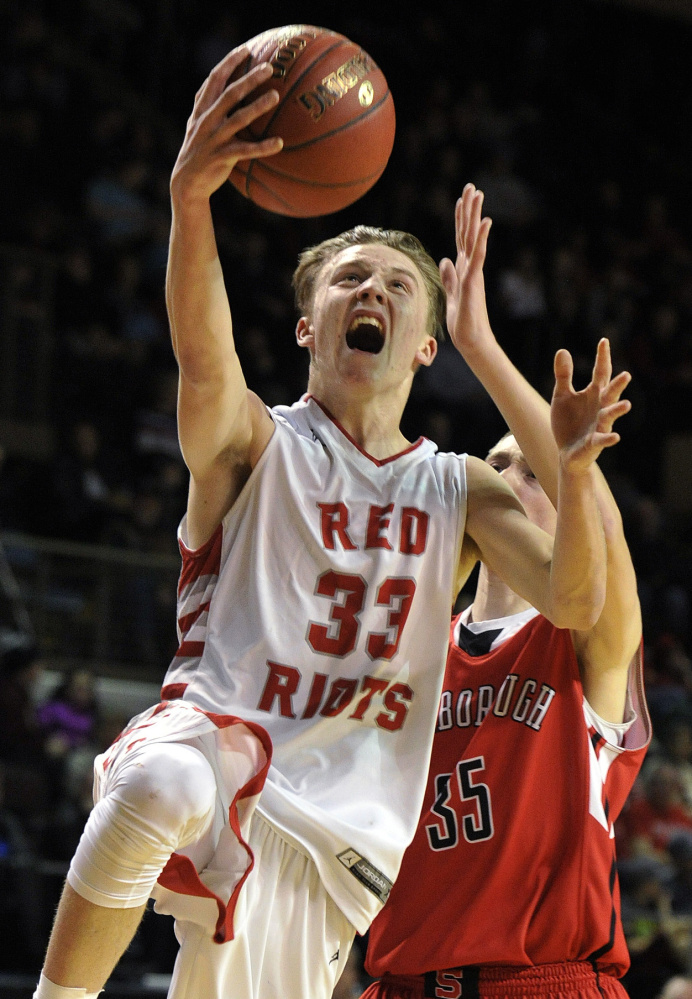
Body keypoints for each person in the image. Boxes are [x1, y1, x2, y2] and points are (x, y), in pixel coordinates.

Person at [34, 48, 623, 999]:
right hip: (217, 740)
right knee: (161, 787)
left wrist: (578, 466)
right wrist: (191, 203)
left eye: (397, 283)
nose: (373, 291)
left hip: (339, 836)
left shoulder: (460, 488)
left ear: (427, 345)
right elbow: (200, 359)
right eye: (349, 277)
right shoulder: (253, 442)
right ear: (308, 323)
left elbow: (574, 596)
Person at [361, 188, 651, 999]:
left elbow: (602, 535)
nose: (507, 474)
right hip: (401, 982)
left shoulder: (585, 638)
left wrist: (480, 348)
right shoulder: (411, 644)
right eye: (498, 463)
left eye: (530, 470)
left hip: (540, 980)